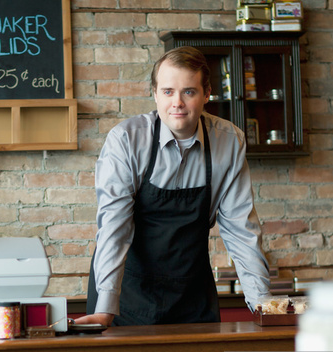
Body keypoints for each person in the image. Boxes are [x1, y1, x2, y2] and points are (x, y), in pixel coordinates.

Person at [76, 46, 270, 327]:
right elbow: (114, 227)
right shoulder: (127, 141)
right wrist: (106, 307)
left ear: (206, 94)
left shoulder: (229, 141)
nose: (177, 102)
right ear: (155, 94)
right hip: (128, 296)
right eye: (168, 91)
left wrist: (264, 303)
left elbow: (241, 230)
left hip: (192, 295)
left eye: (188, 92)